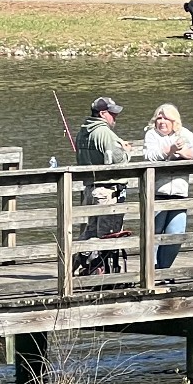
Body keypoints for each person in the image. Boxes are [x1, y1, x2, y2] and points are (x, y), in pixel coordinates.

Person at [142, 102, 193, 272]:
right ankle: (151, 273)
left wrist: (187, 153)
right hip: (157, 192)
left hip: (179, 192)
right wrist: (168, 151)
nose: (161, 121)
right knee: (153, 234)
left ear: (174, 121)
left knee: (176, 234)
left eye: (165, 118)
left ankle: (164, 270)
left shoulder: (184, 134)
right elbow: (150, 156)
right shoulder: (151, 135)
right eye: (158, 117)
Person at [73, 96, 131, 275]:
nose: (115, 117)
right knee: (106, 235)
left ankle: (71, 267)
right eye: (112, 114)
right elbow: (117, 160)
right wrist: (127, 151)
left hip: (91, 189)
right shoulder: (104, 132)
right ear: (102, 113)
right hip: (106, 191)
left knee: (90, 232)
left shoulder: (83, 131)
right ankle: (98, 272)